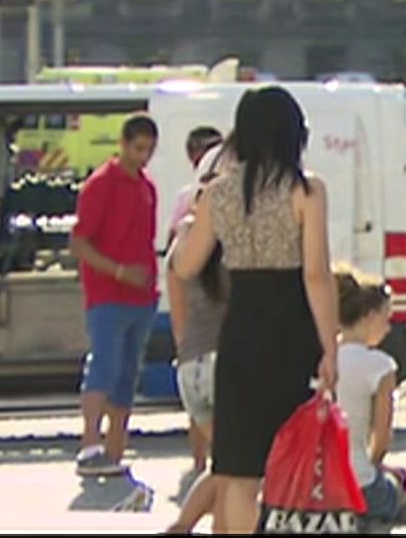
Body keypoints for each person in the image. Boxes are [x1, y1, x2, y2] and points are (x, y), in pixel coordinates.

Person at [172, 87, 340, 535]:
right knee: (290, 456)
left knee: (238, 468)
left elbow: (186, 266)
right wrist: (330, 348)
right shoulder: (307, 190)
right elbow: (316, 275)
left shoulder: (218, 193)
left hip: (240, 331)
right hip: (291, 332)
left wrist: (183, 234)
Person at [68, 114, 161, 478]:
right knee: (104, 365)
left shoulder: (146, 187)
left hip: (141, 297)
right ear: (122, 144)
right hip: (107, 294)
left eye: (149, 150)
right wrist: (119, 271)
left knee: (127, 373)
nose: (143, 157)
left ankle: (115, 448)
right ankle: (90, 444)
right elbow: (79, 242)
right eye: (138, 149)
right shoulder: (101, 184)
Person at [165, 142, 230, 535]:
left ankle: (183, 527)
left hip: (190, 367)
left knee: (226, 464)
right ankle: (185, 527)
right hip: (225, 362)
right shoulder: (230, 245)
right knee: (238, 470)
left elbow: (179, 318)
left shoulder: (179, 246)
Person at [333, 268, 406, 528]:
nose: (388, 328)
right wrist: (375, 466)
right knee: (397, 483)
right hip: (357, 485)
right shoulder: (381, 366)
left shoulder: (319, 357)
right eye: (386, 318)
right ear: (369, 316)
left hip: (314, 485)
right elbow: (381, 438)